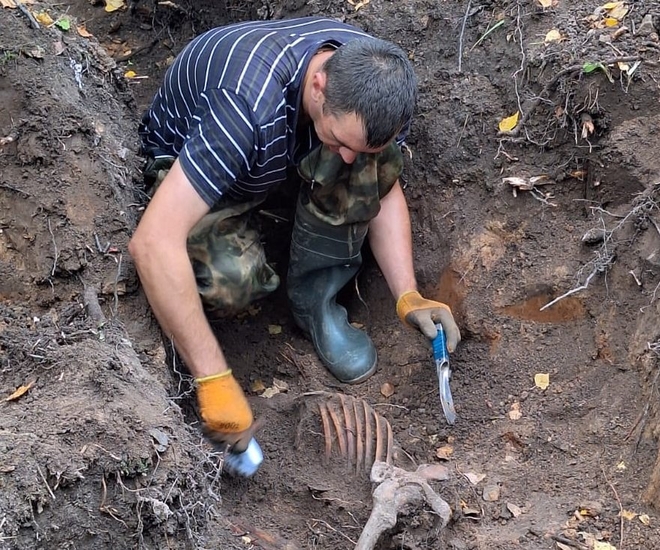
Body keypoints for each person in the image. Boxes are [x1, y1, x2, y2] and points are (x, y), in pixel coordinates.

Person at [129, 17, 461, 455]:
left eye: (359, 148)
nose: (348, 159)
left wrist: (408, 296)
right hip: (202, 171)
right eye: (340, 140)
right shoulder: (243, 107)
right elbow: (152, 241)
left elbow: (383, 184)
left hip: (274, 152)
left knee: (360, 160)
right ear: (319, 84)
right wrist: (213, 379)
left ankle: (314, 302)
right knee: (232, 279)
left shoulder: (375, 76)